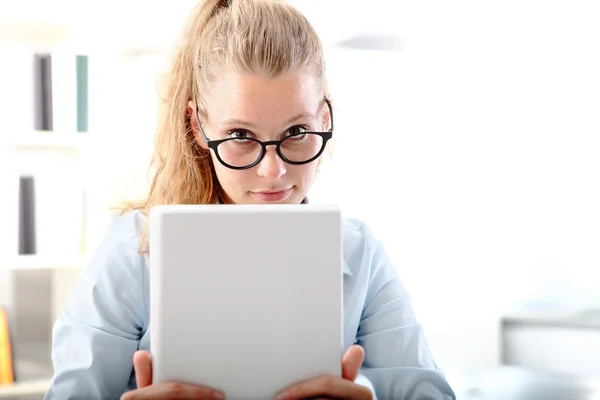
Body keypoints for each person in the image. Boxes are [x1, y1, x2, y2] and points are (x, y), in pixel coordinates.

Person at [44, 0, 456, 399]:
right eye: (241, 136)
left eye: (296, 132)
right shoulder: (135, 251)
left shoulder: (360, 254)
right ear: (199, 127)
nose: (272, 171)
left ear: (324, 119)